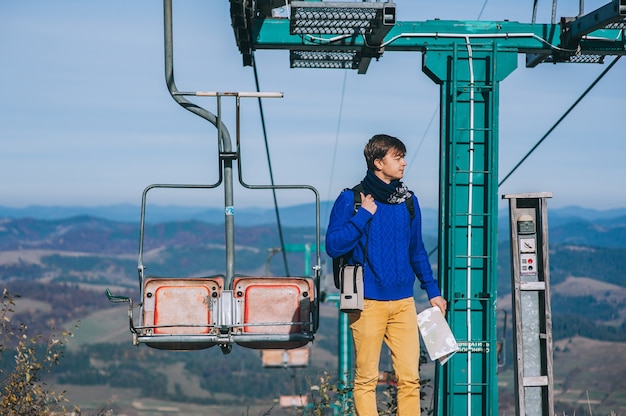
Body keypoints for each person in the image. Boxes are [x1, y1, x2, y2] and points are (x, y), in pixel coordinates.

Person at [325, 134, 447, 416]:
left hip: (404, 302)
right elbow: (333, 246)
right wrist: (363, 215)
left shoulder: (408, 201)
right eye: (398, 157)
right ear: (378, 162)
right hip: (367, 302)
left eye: (403, 156)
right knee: (366, 379)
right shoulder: (351, 200)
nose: (404, 163)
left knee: (410, 379)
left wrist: (433, 290)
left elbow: (416, 250)